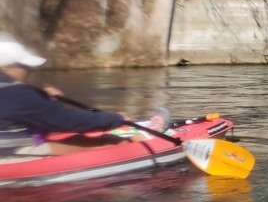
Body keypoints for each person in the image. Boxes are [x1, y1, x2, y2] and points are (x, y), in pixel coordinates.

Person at [0, 33, 166, 157]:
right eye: (25, 67)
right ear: (5, 69)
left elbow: (20, 109)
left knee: (72, 138)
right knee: (109, 142)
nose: (30, 71)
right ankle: (147, 139)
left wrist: (43, 98)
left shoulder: (11, 91)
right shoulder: (17, 95)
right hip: (14, 153)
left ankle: (143, 134)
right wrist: (114, 118)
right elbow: (67, 120)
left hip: (9, 148)